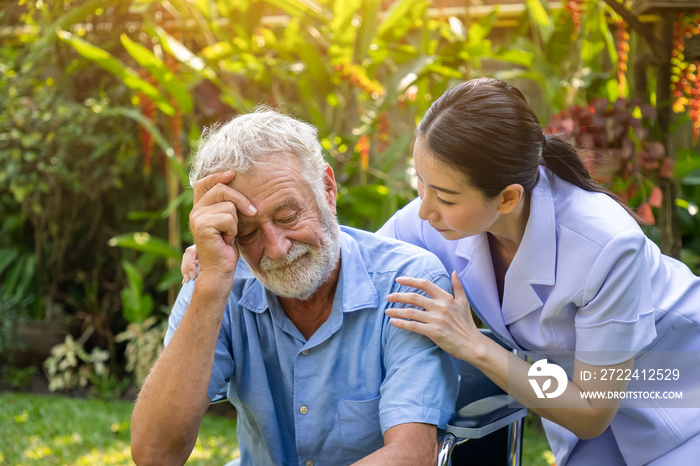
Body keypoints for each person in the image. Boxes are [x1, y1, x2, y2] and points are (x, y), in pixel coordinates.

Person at [131, 108, 458, 466]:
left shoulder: (407, 281)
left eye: (288, 217)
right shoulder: (216, 279)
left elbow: (412, 454)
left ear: (328, 190)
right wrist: (210, 286)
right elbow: (155, 456)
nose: (276, 248)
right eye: (248, 233)